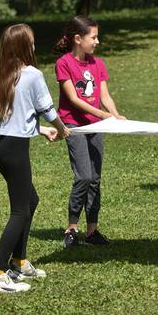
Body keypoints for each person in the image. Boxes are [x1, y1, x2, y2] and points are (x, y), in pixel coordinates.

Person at [0, 24, 70, 293]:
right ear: (23, 46)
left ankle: (19, 262)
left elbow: (15, 116)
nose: (34, 46)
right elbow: (46, 108)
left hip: (0, 146)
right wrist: (61, 127)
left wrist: (41, 131)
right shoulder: (32, 74)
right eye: (31, 42)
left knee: (30, 200)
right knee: (20, 210)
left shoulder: (2, 74)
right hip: (14, 149)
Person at [54, 16, 126, 248]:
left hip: (97, 126)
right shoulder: (63, 63)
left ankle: (92, 231)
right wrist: (104, 115)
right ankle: (72, 228)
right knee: (83, 176)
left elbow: (104, 96)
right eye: (93, 37)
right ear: (78, 39)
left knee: (95, 179)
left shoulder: (98, 64)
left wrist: (114, 113)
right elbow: (73, 99)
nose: (97, 41)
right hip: (74, 126)